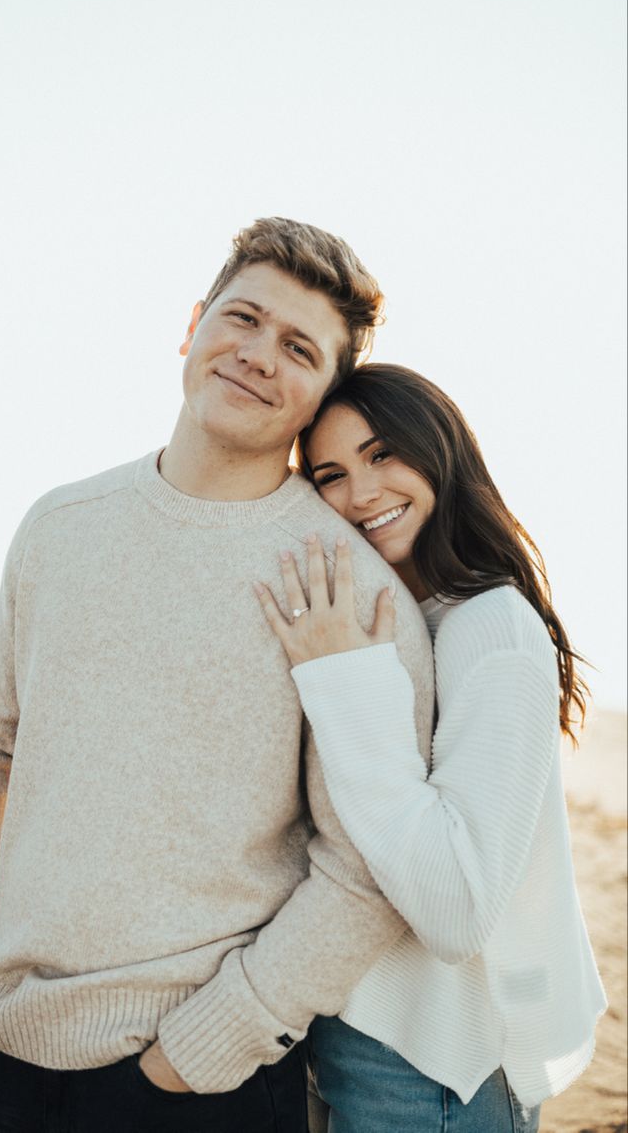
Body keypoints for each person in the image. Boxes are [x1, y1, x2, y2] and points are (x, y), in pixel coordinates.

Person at [0, 223, 435, 1132]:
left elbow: (366, 867)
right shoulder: (59, 525)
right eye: (242, 318)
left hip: (201, 1083)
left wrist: (199, 1053)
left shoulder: (347, 587)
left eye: (299, 349)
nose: (257, 356)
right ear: (194, 325)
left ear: (323, 392)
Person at [255, 363, 607, 1133]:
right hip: (357, 1026)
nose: (362, 493)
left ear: (440, 449)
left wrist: (340, 677)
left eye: (383, 454)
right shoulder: (405, 615)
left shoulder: (490, 628)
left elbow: (456, 908)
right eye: (331, 474)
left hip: (439, 1061)